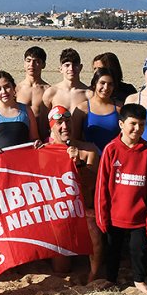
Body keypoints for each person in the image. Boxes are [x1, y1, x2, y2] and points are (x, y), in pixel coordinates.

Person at [94, 104, 147, 294]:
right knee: (113, 250)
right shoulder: (111, 150)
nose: (137, 129)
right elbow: (102, 187)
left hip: (139, 217)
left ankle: (139, 280)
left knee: (139, 250)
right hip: (115, 215)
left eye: (141, 125)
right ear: (121, 124)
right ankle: (111, 279)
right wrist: (102, 216)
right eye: (132, 124)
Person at [42, 106, 103, 280]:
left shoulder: (88, 150)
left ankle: (93, 276)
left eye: (68, 122)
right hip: (59, 212)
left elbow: (93, 185)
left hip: (85, 210)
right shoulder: (43, 153)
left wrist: (79, 165)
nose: (64, 126)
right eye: (59, 123)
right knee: (61, 268)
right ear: (52, 128)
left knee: (94, 231)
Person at [0, 71, 39, 155]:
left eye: (7, 86)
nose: (3, 92)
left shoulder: (26, 110)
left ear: (13, 88)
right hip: (1, 165)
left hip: (23, 163)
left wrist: (37, 143)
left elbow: (35, 139)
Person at [71, 67, 122, 153]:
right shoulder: (82, 109)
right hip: (91, 162)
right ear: (95, 84)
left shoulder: (119, 108)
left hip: (114, 159)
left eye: (110, 84)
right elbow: (74, 140)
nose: (106, 87)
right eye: (102, 83)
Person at [15, 46, 52, 139]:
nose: (31, 64)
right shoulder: (16, 90)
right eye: (28, 60)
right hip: (21, 140)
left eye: (36, 61)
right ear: (24, 63)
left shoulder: (48, 90)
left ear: (43, 65)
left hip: (43, 139)